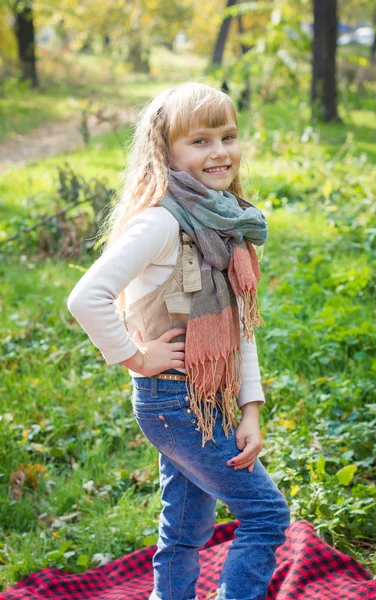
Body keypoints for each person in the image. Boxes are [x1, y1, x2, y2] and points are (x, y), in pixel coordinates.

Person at [67, 82, 290, 600]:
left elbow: (238, 327)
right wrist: (136, 356)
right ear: (167, 151)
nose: (219, 152)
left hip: (210, 398)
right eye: (201, 141)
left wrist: (250, 408)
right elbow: (87, 297)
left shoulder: (224, 217)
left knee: (187, 527)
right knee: (265, 514)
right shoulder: (161, 222)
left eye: (228, 137)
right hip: (172, 398)